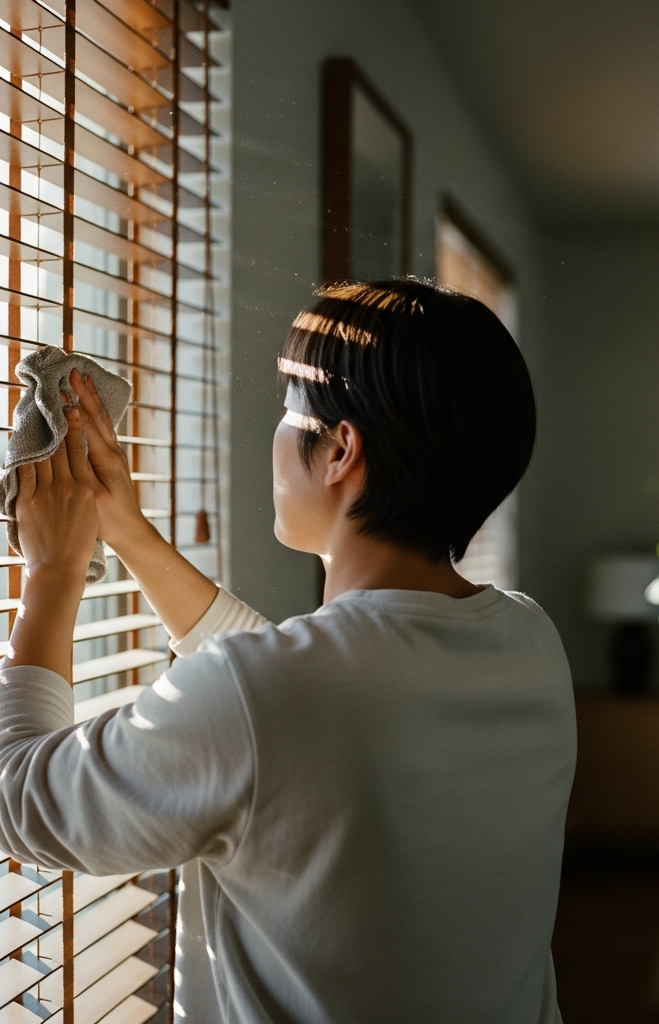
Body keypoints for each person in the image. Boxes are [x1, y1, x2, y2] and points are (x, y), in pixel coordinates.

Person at [0, 280, 576, 1024]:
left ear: (338, 450)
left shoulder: (274, 695)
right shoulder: (530, 642)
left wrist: (52, 573)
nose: (273, 433)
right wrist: (130, 536)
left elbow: (19, 800)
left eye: (286, 405)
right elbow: (300, 708)